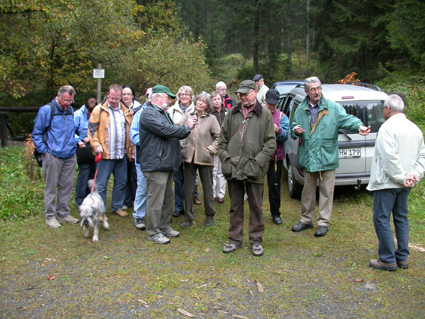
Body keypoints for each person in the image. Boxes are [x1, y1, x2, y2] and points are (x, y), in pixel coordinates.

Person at [291, 76, 370, 237]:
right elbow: (293, 127)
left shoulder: (332, 108)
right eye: (313, 89)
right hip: (309, 157)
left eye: (319, 88)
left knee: (327, 192)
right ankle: (306, 220)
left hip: (327, 157)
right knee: (307, 192)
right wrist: (295, 130)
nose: (317, 92)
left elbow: (347, 119)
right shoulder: (301, 109)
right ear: (306, 92)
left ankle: (323, 222)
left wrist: (359, 126)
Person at [218, 80, 276, 257]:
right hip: (234, 168)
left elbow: (270, 143)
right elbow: (221, 142)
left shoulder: (265, 114)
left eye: (245, 93)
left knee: (256, 206)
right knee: (235, 206)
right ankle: (234, 239)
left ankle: (256, 240)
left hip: (255, 169)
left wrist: (258, 162)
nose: (242, 97)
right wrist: (226, 160)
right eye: (239, 94)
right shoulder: (231, 113)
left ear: (255, 91)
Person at [367, 95, 425, 271]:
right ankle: (402, 257)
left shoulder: (387, 128)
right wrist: (414, 175)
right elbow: (421, 157)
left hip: (388, 183)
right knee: (401, 218)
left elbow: (388, 158)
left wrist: (401, 177)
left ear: (387, 109)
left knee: (381, 218)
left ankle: (387, 258)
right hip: (406, 183)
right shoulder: (415, 129)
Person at [139, 85, 197, 244]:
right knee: (156, 201)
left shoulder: (161, 113)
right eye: (167, 97)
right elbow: (166, 130)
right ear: (156, 97)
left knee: (167, 199)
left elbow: (171, 129)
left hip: (165, 162)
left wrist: (184, 126)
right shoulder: (148, 114)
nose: (170, 100)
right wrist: (186, 127)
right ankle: (153, 232)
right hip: (155, 164)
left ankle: (164, 227)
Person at [32, 85, 79, 228]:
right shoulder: (47, 110)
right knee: (51, 187)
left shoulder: (70, 111)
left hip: (70, 155)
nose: (68, 103)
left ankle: (63, 213)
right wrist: (45, 151)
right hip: (53, 156)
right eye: (66, 100)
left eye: (71, 100)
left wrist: (75, 144)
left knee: (67, 186)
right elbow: (37, 133)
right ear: (58, 96)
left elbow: (72, 132)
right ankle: (50, 216)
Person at [88, 84, 134, 218]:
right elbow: (91, 130)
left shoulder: (126, 111)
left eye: (117, 98)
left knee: (121, 182)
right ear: (108, 95)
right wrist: (95, 144)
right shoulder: (99, 110)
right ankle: (100, 210)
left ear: (120, 97)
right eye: (112, 98)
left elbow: (130, 132)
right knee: (101, 185)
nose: (114, 101)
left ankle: (117, 206)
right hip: (105, 155)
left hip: (121, 154)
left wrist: (130, 150)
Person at [179, 92, 220, 228]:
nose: (200, 103)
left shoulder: (212, 119)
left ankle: (210, 215)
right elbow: (177, 130)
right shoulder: (189, 116)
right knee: (188, 188)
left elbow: (220, 137)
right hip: (189, 158)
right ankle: (188, 218)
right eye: (198, 100)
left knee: (208, 187)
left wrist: (210, 150)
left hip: (205, 158)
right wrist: (182, 145)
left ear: (208, 105)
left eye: (203, 101)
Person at [167, 86, 196, 217]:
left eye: (186, 94)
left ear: (191, 96)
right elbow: (170, 127)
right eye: (182, 94)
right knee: (178, 179)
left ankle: (190, 205)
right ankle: (179, 206)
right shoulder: (171, 110)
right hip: (176, 147)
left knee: (190, 179)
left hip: (191, 146)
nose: (184, 96)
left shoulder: (196, 108)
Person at [264, 89, 289, 225]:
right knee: (256, 186)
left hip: (275, 158)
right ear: (265, 102)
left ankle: (275, 213)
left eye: (274, 104)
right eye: (269, 104)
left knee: (274, 186)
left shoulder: (282, 117)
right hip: (260, 157)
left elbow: (285, 136)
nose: (271, 107)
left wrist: (278, 130)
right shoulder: (259, 114)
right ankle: (256, 212)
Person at [129, 89, 152, 231]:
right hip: (142, 158)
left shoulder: (163, 113)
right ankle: (139, 215)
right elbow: (134, 135)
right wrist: (149, 142)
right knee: (142, 188)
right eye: (150, 96)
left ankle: (155, 215)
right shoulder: (139, 114)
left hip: (158, 159)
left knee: (156, 188)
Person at [74, 97, 97, 207]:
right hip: (83, 147)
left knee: (92, 174)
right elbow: (71, 131)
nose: (90, 114)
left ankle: (89, 198)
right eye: (89, 112)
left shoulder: (97, 114)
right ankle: (80, 199)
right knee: (84, 173)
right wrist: (79, 141)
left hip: (94, 147)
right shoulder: (78, 114)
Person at [122, 85, 141, 210]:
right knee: (124, 176)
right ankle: (126, 200)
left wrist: (134, 149)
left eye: (128, 94)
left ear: (133, 95)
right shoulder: (118, 108)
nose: (126, 96)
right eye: (124, 94)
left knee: (135, 176)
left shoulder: (139, 109)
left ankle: (135, 199)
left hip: (134, 147)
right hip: (122, 148)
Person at [210, 91, 227, 203]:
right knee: (213, 171)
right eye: (214, 99)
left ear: (222, 100)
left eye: (218, 99)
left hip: (224, 145)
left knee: (222, 171)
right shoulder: (210, 113)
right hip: (213, 144)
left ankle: (221, 194)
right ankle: (212, 193)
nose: (217, 101)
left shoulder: (227, 112)